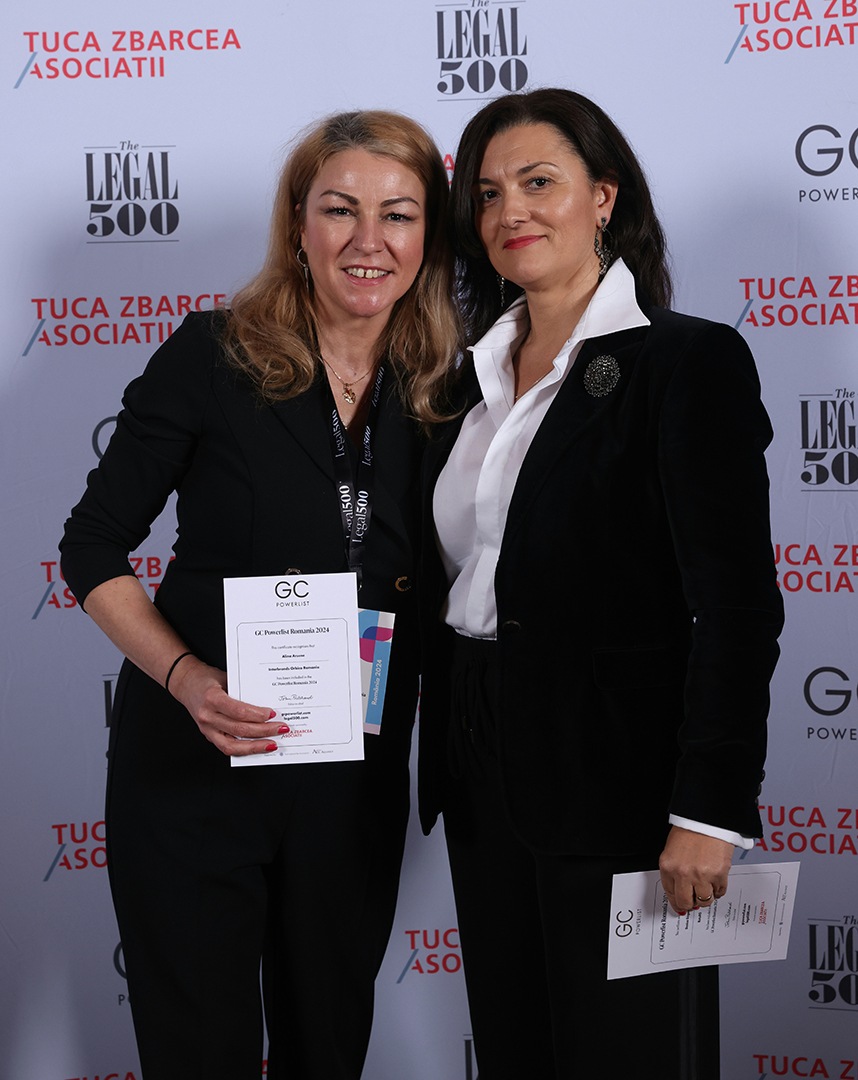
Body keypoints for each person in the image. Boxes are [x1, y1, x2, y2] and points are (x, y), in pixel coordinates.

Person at [60, 110, 458, 1080]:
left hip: (352, 777)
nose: (369, 241)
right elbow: (92, 548)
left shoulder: (450, 385)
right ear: (298, 224)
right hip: (197, 763)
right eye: (340, 209)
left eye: (399, 214)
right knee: (200, 1052)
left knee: (329, 1047)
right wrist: (186, 678)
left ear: (428, 235)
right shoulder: (214, 353)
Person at [418, 89, 784, 1078]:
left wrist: (708, 810)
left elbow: (738, 608)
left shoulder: (685, 361)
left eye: (539, 182)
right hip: (481, 765)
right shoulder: (466, 380)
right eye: (488, 194)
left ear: (604, 198)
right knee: (518, 1053)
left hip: (624, 783)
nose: (510, 211)